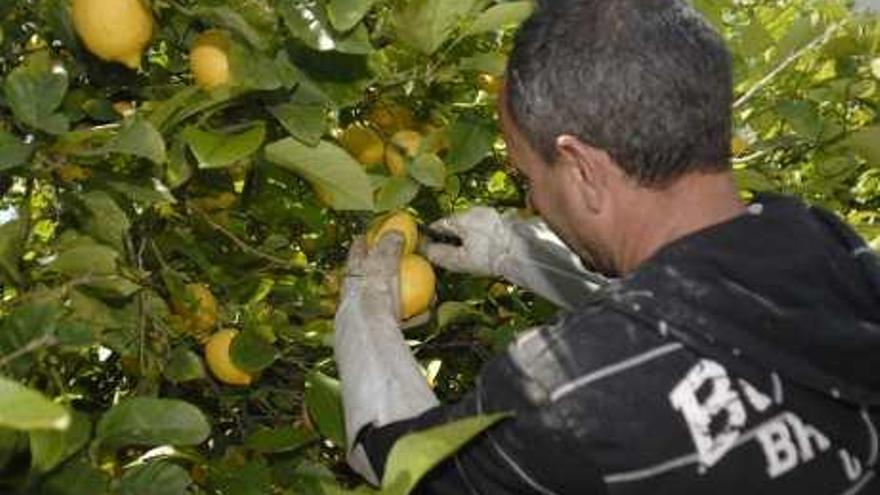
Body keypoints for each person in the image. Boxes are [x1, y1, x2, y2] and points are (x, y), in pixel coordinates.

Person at [333, 0, 880, 493]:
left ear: (583, 169)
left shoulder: (564, 391)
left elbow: (407, 464)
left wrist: (364, 310)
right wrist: (518, 254)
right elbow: (699, 320)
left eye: (529, 177)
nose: (533, 201)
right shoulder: (830, 245)